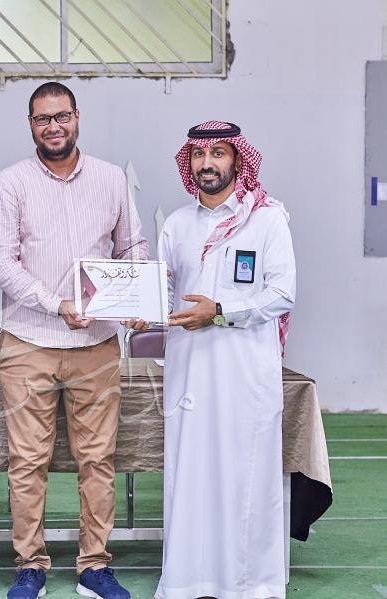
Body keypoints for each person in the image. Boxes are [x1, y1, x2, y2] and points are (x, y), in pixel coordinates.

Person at [0, 82, 146, 599]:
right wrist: (56, 304)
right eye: (42, 119)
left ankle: (93, 567)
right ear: (30, 124)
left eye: (61, 116)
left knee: (97, 461)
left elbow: (132, 247)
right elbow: (0, 260)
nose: (53, 127)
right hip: (28, 342)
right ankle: (30, 566)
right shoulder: (10, 183)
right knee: (27, 462)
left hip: (97, 343)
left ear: (77, 117)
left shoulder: (111, 178)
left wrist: (137, 296)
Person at [127, 120, 295, 599]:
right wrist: (142, 312)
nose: (207, 163)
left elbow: (282, 294)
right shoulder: (178, 225)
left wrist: (220, 312)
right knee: (193, 475)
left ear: (237, 159)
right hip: (190, 374)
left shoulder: (267, 219)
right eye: (199, 155)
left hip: (246, 373)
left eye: (218, 153)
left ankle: (252, 584)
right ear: (189, 162)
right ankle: (188, 580)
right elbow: (164, 294)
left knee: (246, 476)